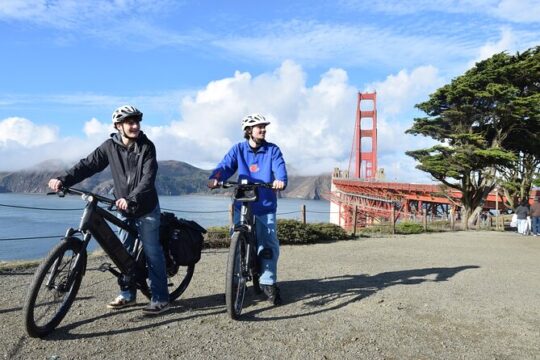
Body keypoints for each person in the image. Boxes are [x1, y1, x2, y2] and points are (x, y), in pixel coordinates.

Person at [48, 105, 169, 315]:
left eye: (137, 121)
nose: (135, 126)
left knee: (152, 251)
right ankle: (128, 294)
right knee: (124, 252)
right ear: (118, 126)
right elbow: (87, 165)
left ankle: (160, 298)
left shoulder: (147, 147)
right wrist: (63, 179)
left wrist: (131, 198)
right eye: (130, 122)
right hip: (122, 206)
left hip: (145, 207)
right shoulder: (109, 147)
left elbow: (148, 178)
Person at [207, 113, 287, 305]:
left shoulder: (272, 150)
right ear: (249, 131)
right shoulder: (238, 149)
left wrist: (280, 180)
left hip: (265, 205)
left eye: (264, 126)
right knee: (237, 240)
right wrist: (215, 177)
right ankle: (235, 280)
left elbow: (280, 168)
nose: (264, 129)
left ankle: (268, 282)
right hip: (242, 203)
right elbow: (225, 166)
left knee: (267, 245)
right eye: (259, 127)